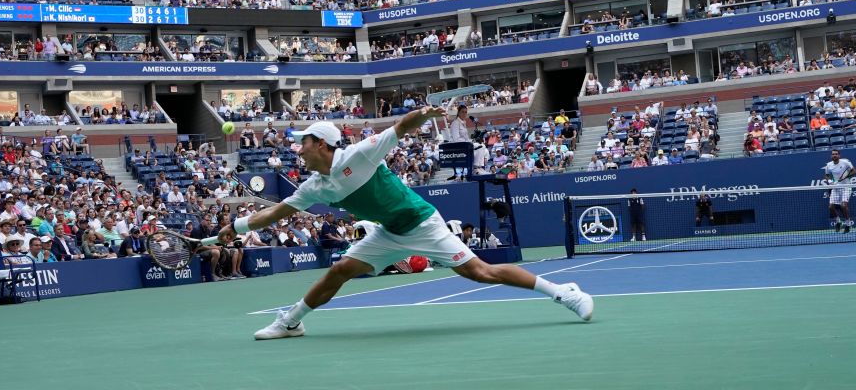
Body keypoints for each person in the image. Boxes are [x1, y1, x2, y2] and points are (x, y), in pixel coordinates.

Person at [218, 110, 594, 340]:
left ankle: (563, 292)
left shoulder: (360, 155)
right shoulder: (314, 185)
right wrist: (234, 226)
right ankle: (291, 322)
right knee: (341, 270)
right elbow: (274, 213)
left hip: (421, 222)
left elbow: (401, 127)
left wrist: (425, 116)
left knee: (480, 272)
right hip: (388, 232)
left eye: (304, 143)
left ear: (323, 144)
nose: (297, 148)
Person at [823, 149, 856, 233]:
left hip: (846, 187)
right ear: (831, 156)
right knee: (831, 207)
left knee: (843, 206)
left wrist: (845, 177)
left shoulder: (845, 162)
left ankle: (848, 224)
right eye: (833, 154)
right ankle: (838, 222)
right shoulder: (829, 165)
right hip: (835, 187)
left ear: (839, 155)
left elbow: (854, 171)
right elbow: (826, 175)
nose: (834, 155)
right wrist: (829, 181)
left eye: (836, 154)